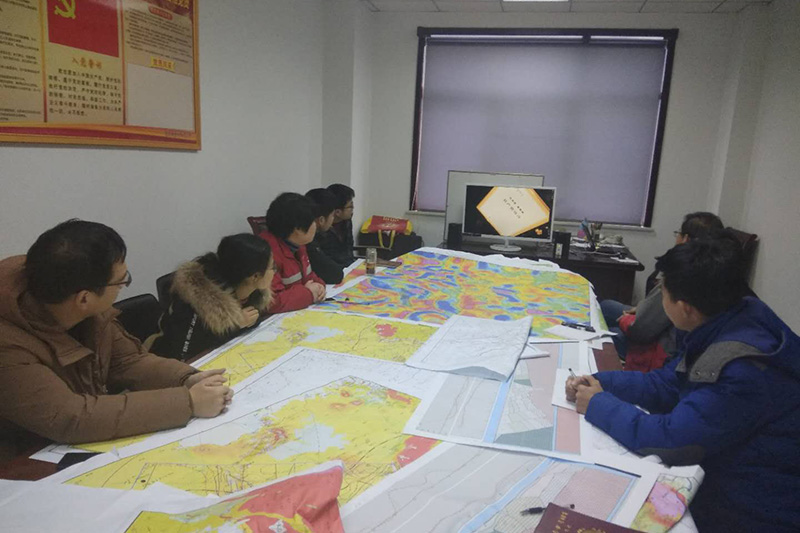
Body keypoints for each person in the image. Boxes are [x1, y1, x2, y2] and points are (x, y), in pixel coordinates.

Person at [567, 236, 800, 532]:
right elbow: (668, 383)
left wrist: (598, 404)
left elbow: (673, 442)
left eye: (663, 294)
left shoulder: (740, 369)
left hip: (754, 507)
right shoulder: (730, 316)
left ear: (685, 307)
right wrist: (601, 381)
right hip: (732, 470)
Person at [0, 220, 232, 460]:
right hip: (24, 461)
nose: (124, 285)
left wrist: (185, 378)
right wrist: (188, 403)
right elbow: (71, 417)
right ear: (84, 299)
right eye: (122, 281)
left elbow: (126, 360)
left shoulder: (72, 298)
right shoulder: (8, 345)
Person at [600, 212, 725, 368]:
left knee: (604, 334)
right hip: (658, 330)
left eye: (678, 234)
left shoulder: (683, 273)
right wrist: (641, 309)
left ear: (686, 239)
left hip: (658, 346)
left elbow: (641, 330)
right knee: (606, 307)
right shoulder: (717, 269)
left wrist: (628, 320)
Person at [147, 234, 275, 361]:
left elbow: (255, 317)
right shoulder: (199, 299)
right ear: (255, 277)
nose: (274, 271)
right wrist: (235, 327)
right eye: (271, 268)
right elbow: (185, 349)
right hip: (165, 359)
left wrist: (243, 324)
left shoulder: (254, 292)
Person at [258, 192, 327, 313]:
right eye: (312, 222)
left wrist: (319, 287)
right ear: (298, 229)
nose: (316, 226)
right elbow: (272, 301)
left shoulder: (298, 244)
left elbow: (310, 277)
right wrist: (309, 293)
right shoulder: (266, 252)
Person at [305, 188, 345, 284]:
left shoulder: (320, 234)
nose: (333, 219)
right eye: (332, 215)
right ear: (321, 220)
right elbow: (335, 274)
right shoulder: (306, 240)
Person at [317, 183, 356, 268]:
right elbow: (325, 258)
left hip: (348, 267)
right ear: (337, 212)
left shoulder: (346, 221)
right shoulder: (321, 228)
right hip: (332, 270)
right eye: (350, 206)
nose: (353, 209)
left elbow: (349, 248)